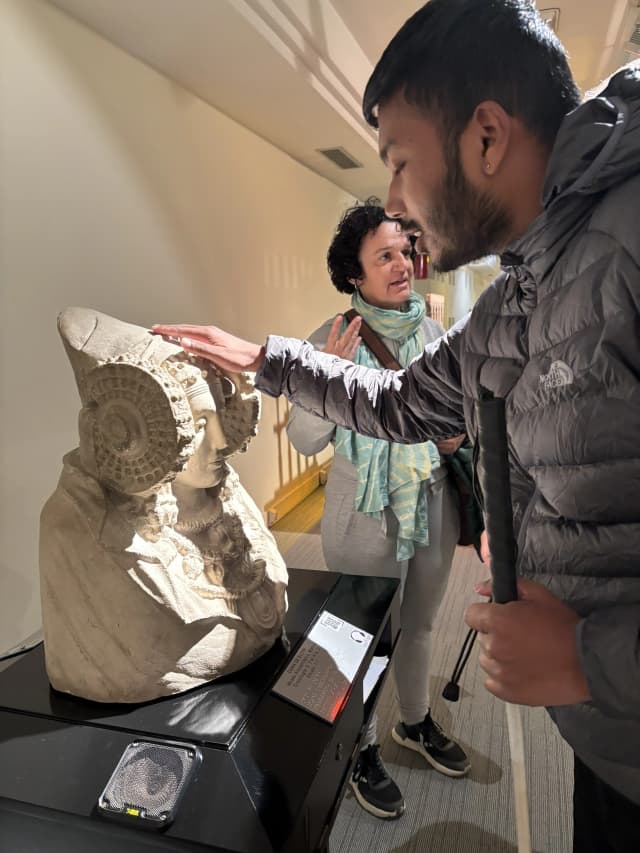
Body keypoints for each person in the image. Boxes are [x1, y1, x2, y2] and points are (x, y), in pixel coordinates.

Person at [153, 1, 640, 848]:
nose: (394, 202)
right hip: (609, 742)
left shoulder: (625, 245)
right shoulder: (518, 293)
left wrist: (590, 655)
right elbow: (401, 403)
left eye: (401, 161)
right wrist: (267, 356)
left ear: (486, 138)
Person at [286, 201, 470, 819]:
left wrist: (455, 435)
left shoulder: (435, 335)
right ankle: (357, 744)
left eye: (405, 251)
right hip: (361, 518)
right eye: (383, 256)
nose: (401, 265)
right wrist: (330, 376)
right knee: (360, 638)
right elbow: (305, 440)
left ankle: (413, 721)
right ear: (355, 274)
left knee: (418, 625)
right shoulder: (328, 337)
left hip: (432, 506)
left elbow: (458, 421)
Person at [41, 307, 287, 703]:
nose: (221, 441)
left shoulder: (227, 496)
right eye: (201, 424)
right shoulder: (78, 526)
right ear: (147, 432)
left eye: (221, 416)